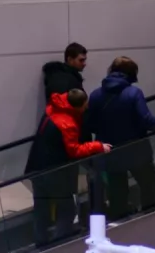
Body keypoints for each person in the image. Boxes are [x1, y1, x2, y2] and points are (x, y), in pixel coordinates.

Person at [85, 57, 155, 219]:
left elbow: (90, 125)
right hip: (136, 148)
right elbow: (146, 120)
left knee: (117, 192)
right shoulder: (133, 93)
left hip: (110, 152)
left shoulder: (95, 95)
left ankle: (121, 226)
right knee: (148, 184)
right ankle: (150, 217)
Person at [24, 90, 109, 247]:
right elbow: (74, 150)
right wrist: (98, 146)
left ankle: (41, 244)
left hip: (36, 166)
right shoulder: (67, 123)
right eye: (85, 106)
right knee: (66, 207)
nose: (86, 109)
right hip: (54, 171)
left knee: (41, 208)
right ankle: (61, 243)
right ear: (78, 106)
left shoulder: (52, 109)